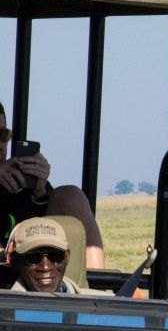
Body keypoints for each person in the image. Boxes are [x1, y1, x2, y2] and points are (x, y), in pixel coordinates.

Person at [0, 103, 105, 268]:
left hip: (35, 268)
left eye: (3, 134)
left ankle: (95, 280)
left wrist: (40, 191)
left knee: (70, 195)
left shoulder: (19, 178)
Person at [8, 217, 80, 293]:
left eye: (55, 255)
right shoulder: (5, 300)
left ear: (67, 257)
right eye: (33, 257)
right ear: (15, 261)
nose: (45, 267)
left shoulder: (88, 297)